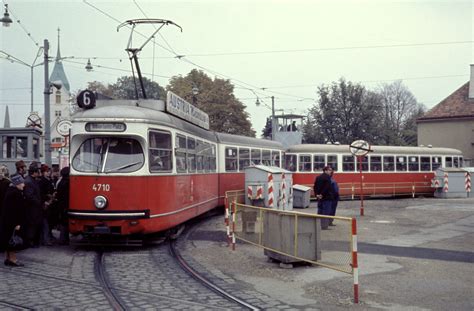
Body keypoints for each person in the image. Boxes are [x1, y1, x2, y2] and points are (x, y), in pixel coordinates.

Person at [0, 174, 27, 267]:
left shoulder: (10, 191)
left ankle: (8, 258)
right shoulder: (15, 194)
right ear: (17, 184)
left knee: (8, 240)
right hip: (12, 222)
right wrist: (17, 223)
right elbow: (14, 211)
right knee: (13, 241)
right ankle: (13, 259)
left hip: (7, 222)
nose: (24, 185)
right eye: (22, 183)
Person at [23, 162, 42, 248]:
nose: (39, 173)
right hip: (32, 208)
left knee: (34, 224)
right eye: (37, 172)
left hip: (34, 207)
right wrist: (38, 202)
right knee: (32, 224)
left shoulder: (31, 180)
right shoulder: (29, 182)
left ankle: (33, 241)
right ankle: (30, 241)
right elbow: (29, 196)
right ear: (34, 172)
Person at [39, 164, 55, 245]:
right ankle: (46, 239)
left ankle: (47, 237)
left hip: (49, 203)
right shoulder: (42, 181)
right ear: (43, 172)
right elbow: (41, 193)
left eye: (48, 171)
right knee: (45, 222)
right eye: (46, 172)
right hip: (45, 203)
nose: (48, 173)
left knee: (47, 221)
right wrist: (47, 198)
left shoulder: (47, 180)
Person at [56, 167, 70, 245]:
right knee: (65, 223)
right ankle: (63, 240)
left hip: (61, 205)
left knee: (63, 223)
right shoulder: (67, 183)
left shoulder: (60, 182)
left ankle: (63, 239)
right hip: (65, 205)